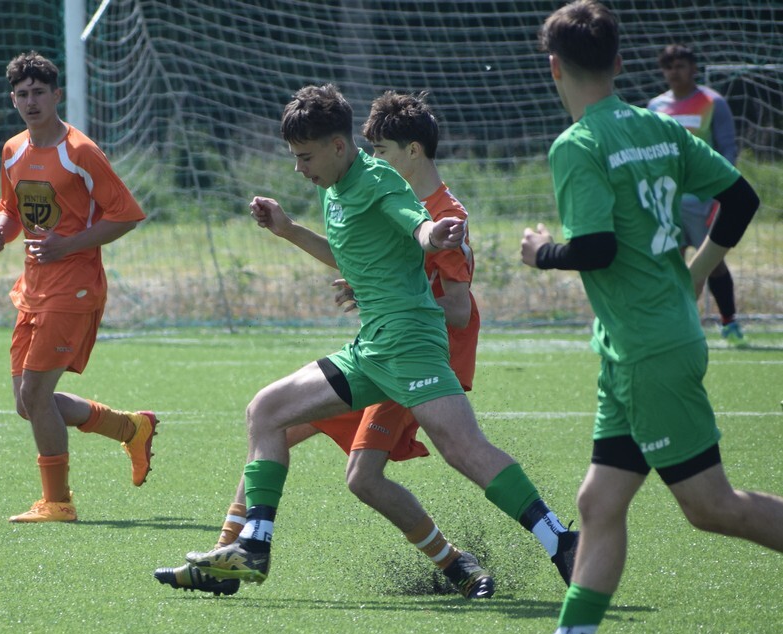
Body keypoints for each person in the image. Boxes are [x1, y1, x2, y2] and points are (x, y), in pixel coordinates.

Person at [482, 1, 780, 634]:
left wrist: (539, 252)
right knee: (598, 501)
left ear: (553, 67)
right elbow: (740, 199)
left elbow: (596, 248)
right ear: (617, 63)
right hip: (634, 345)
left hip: (649, 348)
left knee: (710, 506)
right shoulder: (657, 125)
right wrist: (698, 270)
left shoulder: (577, 144)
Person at [179, 84, 578, 594]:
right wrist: (287, 229)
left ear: (337, 146)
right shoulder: (333, 188)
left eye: (306, 157)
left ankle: (560, 540)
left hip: (410, 342)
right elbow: (353, 256)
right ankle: (252, 546)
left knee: (463, 449)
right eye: (294, 157)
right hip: (372, 347)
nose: (299, 168)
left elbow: (417, 226)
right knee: (266, 411)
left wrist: (435, 234)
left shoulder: (380, 179)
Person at [0, 50, 157, 523]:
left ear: (56, 95)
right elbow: (12, 210)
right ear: (13, 99)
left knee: (37, 397)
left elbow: (126, 215)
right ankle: (130, 428)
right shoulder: (12, 150)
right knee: (28, 404)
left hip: (75, 289)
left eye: (39, 92)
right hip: (31, 290)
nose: (31, 101)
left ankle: (58, 503)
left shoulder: (80, 151)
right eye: (22, 94)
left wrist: (70, 244)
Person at [648, 44, 746, 344]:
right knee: (672, 263)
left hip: (705, 201)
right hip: (669, 202)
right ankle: (677, 325)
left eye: (680, 65)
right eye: (668, 67)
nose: (674, 72)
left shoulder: (712, 102)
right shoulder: (655, 107)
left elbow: (727, 149)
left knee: (711, 263)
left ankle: (729, 322)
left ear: (693, 68)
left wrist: (722, 193)